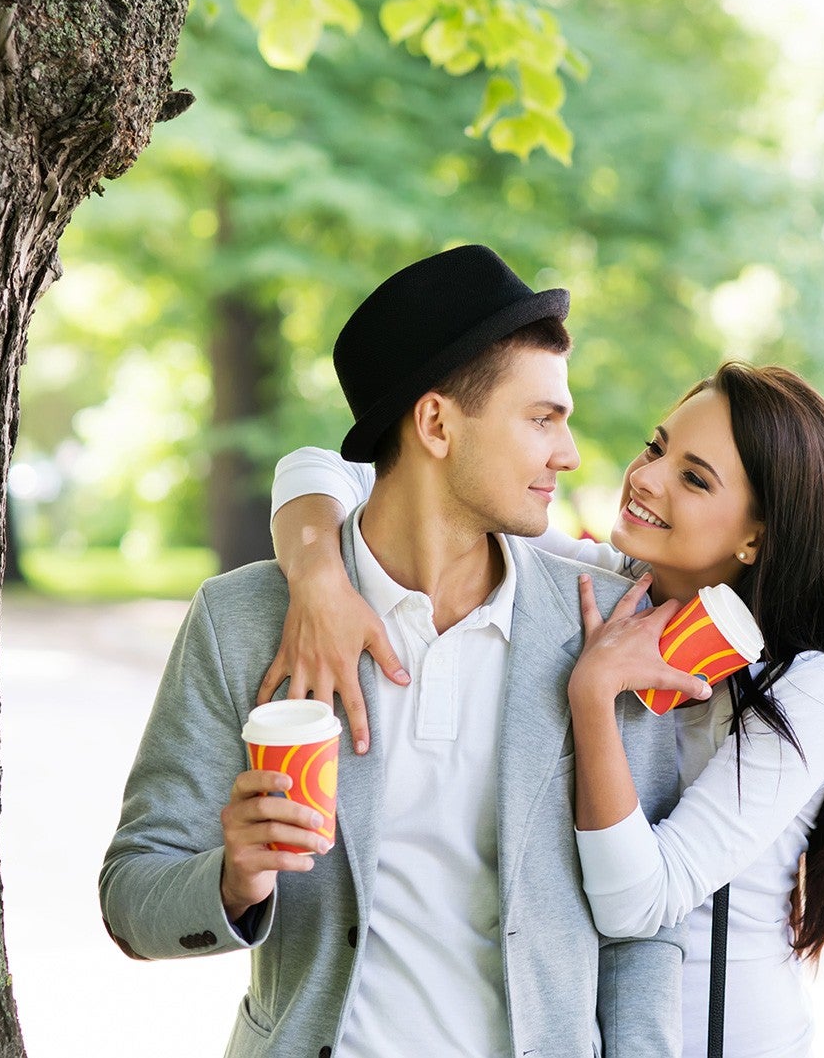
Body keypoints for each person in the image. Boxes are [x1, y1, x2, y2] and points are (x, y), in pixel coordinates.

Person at [99, 244, 697, 1058]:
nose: (569, 452)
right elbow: (133, 890)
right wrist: (233, 879)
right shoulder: (241, 622)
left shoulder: (600, 627)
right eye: (542, 418)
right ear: (437, 423)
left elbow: (647, 927)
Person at [267, 362, 824, 1057]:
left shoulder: (806, 687)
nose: (647, 477)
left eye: (694, 478)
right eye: (657, 446)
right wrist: (318, 575)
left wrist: (595, 694)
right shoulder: (598, 588)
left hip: (722, 1039)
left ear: (758, 534)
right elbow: (335, 469)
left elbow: (637, 903)